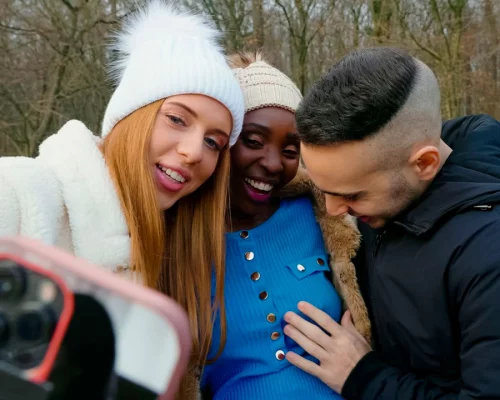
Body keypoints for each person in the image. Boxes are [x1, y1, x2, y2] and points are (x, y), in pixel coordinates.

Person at [0, 0, 244, 392]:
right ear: (131, 114)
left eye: (214, 142)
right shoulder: (18, 192)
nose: (194, 152)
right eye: (177, 119)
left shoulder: (175, 259)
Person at [283, 47, 500, 399]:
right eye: (324, 190)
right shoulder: (392, 172)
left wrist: (364, 377)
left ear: (425, 164)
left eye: (352, 195)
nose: (334, 210)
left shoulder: (488, 256)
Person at [197, 52, 370, 400]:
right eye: (253, 141)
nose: (274, 164)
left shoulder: (322, 215)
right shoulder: (181, 239)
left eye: (290, 150)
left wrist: (368, 371)